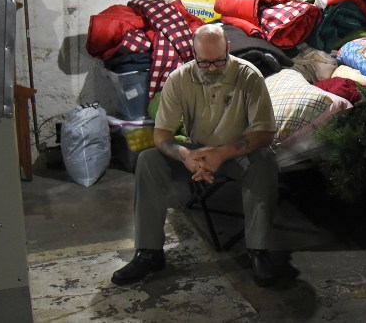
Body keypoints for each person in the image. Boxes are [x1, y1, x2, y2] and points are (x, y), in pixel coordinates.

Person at [111, 23, 280, 287]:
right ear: (193, 54)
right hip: (197, 151)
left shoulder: (249, 76)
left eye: (218, 61)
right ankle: (149, 252)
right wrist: (184, 156)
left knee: (266, 160)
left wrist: (223, 153)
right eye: (204, 63)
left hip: (237, 152)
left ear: (229, 49)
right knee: (148, 160)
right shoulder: (179, 79)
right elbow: (161, 135)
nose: (212, 68)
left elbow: (265, 133)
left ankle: (258, 250)